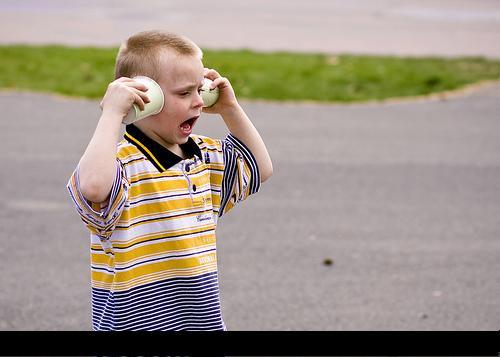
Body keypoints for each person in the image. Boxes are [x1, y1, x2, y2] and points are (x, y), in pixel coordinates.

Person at [67, 30, 273, 331]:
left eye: (199, 90)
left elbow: (259, 166)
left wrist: (230, 108)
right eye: (183, 93)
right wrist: (113, 113)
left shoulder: (203, 158)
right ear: (145, 98)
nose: (198, 103)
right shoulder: (120, 165)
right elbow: (94, 189)